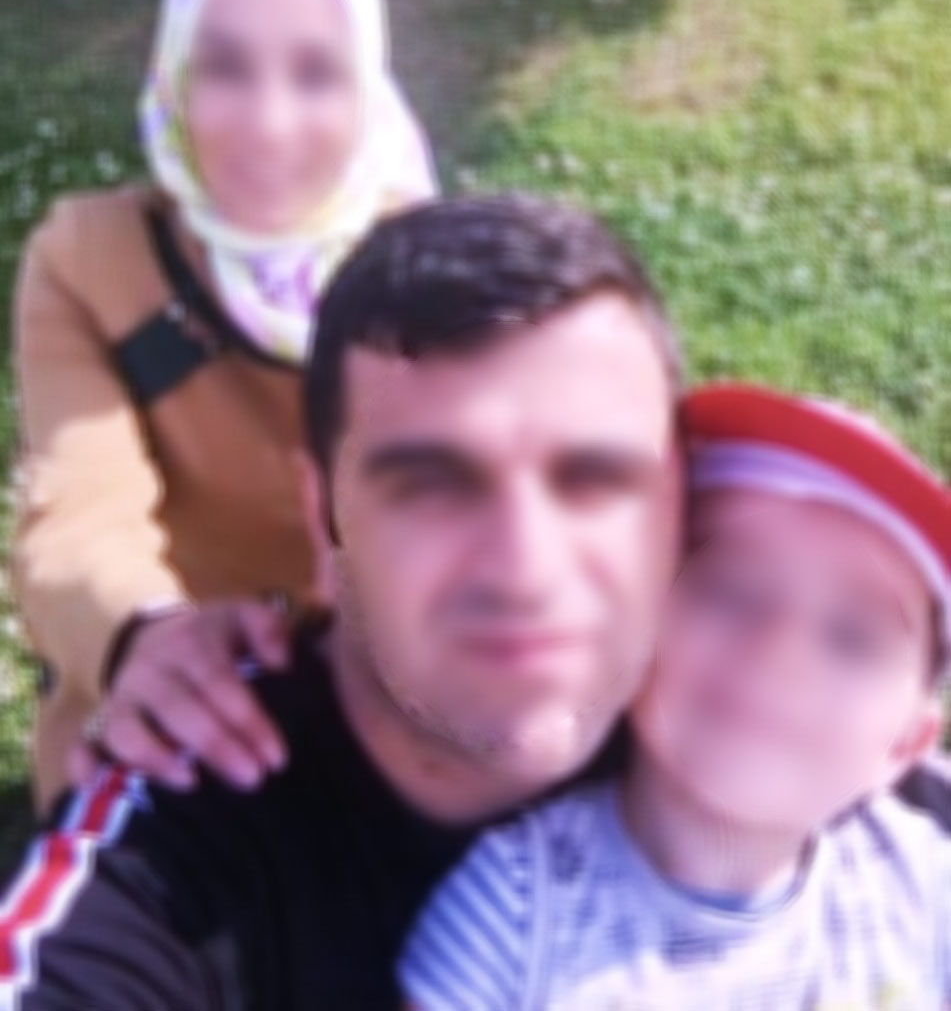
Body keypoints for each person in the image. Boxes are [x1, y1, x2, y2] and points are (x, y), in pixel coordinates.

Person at [0, 195, 685, 1009]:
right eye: (432, 485)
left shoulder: (769, 719)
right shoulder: (170, 856)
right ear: (321, 517)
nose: (525, 567)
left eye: (598, 478)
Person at [12, 0, 437, 814]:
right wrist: (149, 640)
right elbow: (78, 515)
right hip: (159, 716)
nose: (267, 123)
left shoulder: (428, 267)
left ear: (368, 93)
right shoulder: (91, 261)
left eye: (315, 74)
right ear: (172, 77)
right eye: (225, 68)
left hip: (385, 705)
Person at [400, 382, 951, 1010]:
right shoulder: (515, 916)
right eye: (731, 589)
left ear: (905, 746)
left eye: (852, 638)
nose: (779, 651)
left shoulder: (923, 890)